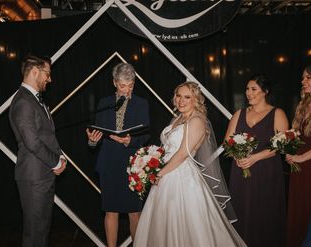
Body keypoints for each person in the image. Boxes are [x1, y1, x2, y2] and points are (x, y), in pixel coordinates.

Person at [134, 81, 246, 247]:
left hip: (182, 176)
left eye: (187, 97)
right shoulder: (178, 118)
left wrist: (158, 173)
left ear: (196, 100)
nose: (181, 100)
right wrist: (151, 163)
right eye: (178, 96)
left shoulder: (197, 121)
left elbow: (181, 155)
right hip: (166, 175)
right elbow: (167, 149)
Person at [86, 63, 149, 247]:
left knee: (134, 212)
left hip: (132, 164)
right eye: (122, 85)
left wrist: (130, 141)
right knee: (110, 211)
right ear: (114, 82)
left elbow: (145, 134)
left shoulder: (141, 103)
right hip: (109, 163)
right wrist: (93, 140)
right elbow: (97, 135)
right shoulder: (104, 103)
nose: (126, 89)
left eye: (130, 85)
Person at [224, 75, 289, 247]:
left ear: (265, 92)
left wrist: (254, 157)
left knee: (264, 212)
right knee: (241, 210)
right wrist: (237, 156)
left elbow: (281, 145)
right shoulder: (239, 113)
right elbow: (227, 141)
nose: (248, 93)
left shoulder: (277, 113)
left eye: (253, 89)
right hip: (241, 172)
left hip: (266, 172)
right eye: (247, 89)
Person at [9, 55, 67, 247]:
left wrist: (60, 156)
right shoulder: (24, 101)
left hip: (42, 175)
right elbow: (32, 142)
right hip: (34, 177)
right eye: (47, 74)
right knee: (34, 233)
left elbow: (47, 136)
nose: (49, 79)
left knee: (41, 231)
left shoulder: (34, 100)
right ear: (35, 71)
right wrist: (56, 162)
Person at [286, 63, 311, 247]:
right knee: (299, 210)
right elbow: (297, 134)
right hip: (299, 166)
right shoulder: (303, 104)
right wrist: (286, 144)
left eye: (308, 77)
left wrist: (301, 158)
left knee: (310, 208)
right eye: (303, 77)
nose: (303, 81)